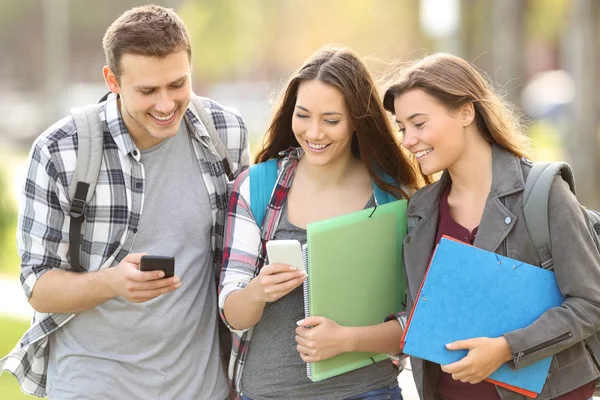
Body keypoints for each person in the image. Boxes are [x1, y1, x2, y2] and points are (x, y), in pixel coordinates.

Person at [0, 5, 249, 399]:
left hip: (200, 388)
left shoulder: (226, 133)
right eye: (147, 91)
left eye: (178, 84)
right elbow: (37, 286)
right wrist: (113, 283)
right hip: (93, 384)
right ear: (112, 80)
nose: (166, 105)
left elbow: (241, 259)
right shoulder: (59, 151)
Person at [383, 53, 600, 400]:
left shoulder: (543, 192)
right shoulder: (420, 211)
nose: (408, 140)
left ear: (467, 112)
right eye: (402, 127)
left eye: (419, 123)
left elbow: (590, 303)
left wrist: (506, 348)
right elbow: (422, 311)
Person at [219, 45, 424, 400]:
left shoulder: (395, 198)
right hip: (267, 393)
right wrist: (258, 292)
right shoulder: (256, 187)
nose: (314, 133)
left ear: (358, 122)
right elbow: (233, 315)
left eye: (331, 120)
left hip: (367, 392)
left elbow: (418, 321)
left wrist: (347, 340)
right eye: (303, 115)